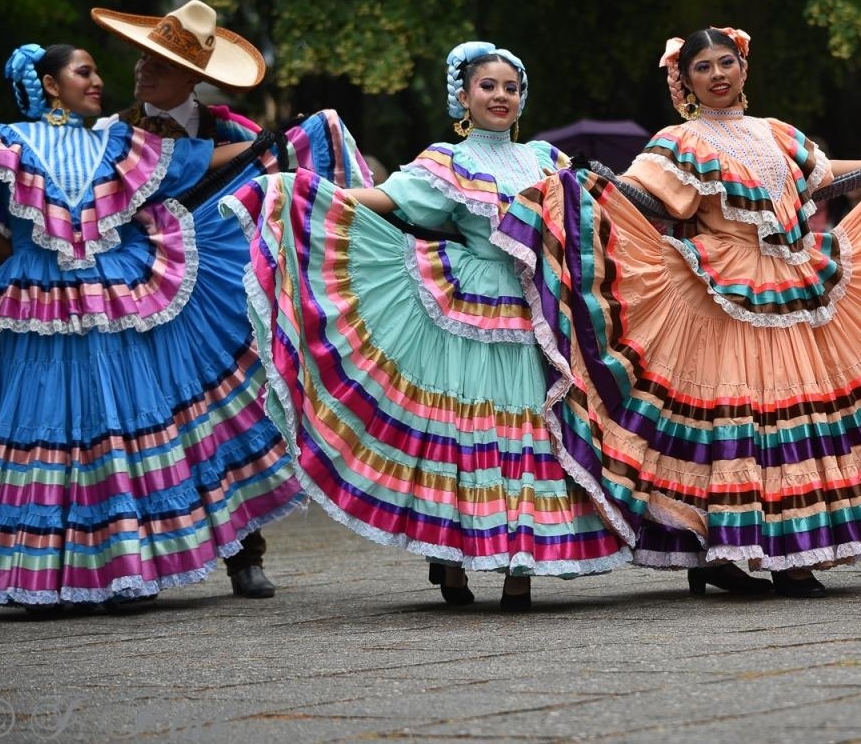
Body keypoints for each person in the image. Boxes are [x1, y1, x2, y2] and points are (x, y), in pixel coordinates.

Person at [494, 27, 861, 597]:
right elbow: (649, 197)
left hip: (791, 276)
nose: (717, 74)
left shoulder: (776, 132)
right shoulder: (677, 141)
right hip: (722, 287)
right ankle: (731, 552)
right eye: (703, 67)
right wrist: (598, 185)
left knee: (794, 413)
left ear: (743, 68)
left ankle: (786, 551)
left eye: (725, 62)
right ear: (684, 81)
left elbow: (824, 176)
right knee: (735, 418)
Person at [225, 42, 629, 609]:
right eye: (487, 86)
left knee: (531, 430)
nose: (501, 96)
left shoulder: (546, 160)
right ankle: (452, 555)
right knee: (464, 426)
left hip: (535, 309)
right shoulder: (446, 161)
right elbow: (386, 199)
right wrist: (302, 192)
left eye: (511, 88)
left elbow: (587, 222)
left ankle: (519, 564)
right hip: (468, 303)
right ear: (462, 96)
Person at [0, 43, 301, 608]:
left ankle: (149, 561)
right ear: (50, 84)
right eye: (85, 71)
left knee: (118, 426)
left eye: (99, 71)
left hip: (117, 298)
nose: (107, 79)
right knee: (44, 423)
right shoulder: (10, 143)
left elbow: (191, 162)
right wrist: (21, 257)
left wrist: (278, 143)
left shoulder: (122, 141)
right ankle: (37, 572)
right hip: (42, 306)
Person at [90, 0, 372, 598]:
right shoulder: (109, 136)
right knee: (155, 427)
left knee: (241, 417)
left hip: (227, 308)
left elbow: (287, 184)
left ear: (193, 76)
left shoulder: (240, 134)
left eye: (159, 64)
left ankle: (246, 552)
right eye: (142, 58)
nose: (143, 70)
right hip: (141, 309)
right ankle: (142, 558)